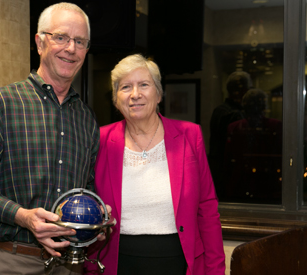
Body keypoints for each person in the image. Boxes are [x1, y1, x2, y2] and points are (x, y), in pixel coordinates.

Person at [0, 3, 102, 274]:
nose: (71, 48)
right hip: (10, 260)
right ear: (39, 42)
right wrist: (22, 216)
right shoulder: (1, 105)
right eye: (61, 37)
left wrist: (96, 219)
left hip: (68, 265)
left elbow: (85, 187)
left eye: (80, 41)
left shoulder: (87, 119)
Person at [84, 54, 225, 275]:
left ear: (158, 94)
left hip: (178, 262)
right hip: (117, 263)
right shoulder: (99, 140)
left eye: (143, 85)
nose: (135, 94)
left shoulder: (190, 135)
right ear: (115, 98)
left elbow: (207, 208)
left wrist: (215, 270)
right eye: (125, 87)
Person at [223, 88, 282, 203]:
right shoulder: (276, 126)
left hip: (260, 183)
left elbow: (227, 161)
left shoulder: (234, 127)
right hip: (253, 183)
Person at [208, 71, 253, 198]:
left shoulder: (220, 110)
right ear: (243, 90)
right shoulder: (234, 114)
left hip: (220, 170)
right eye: (248, 89)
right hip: (230, 171)